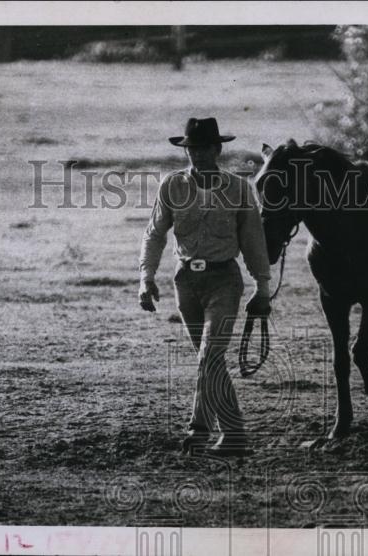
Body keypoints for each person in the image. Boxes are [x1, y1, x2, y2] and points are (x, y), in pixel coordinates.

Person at [139, 117, 271, 457]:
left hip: (224, 280)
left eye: (202, 148)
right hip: (185, 282)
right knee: (210, 362)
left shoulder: (239, 189)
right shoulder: (172, 186)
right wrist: (146, 278)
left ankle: (198, 431)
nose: (195, 155)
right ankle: (234, 435)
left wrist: (263, 285)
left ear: (217, 149)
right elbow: (155, 233)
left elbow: (253, 240)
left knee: (208, 355)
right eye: (190, 149)